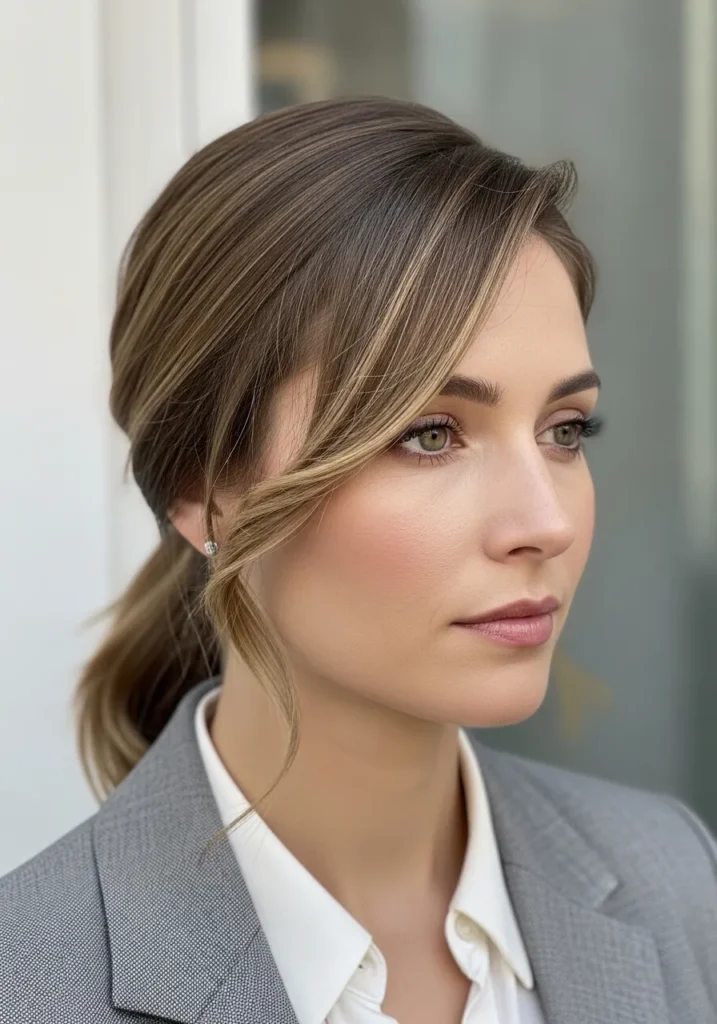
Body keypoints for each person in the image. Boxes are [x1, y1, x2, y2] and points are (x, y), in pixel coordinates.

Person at [1, 96, 715, 1024]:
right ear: (201, 484)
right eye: (428, 434)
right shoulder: (31, 982)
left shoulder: (675, 881)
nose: (544, 521)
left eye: (564, 429)